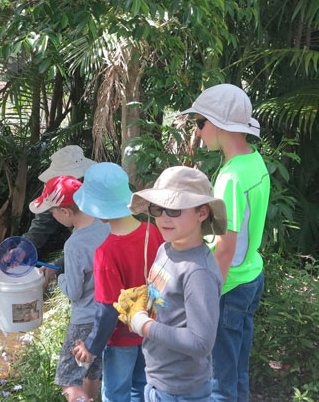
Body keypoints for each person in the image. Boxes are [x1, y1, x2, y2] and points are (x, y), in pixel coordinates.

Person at [180, 84, 270, 402]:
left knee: (219, 382)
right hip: (250, 277)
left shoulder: (231, 176)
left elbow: (225, 246)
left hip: (229, 287)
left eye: (200, 123)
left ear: (217, 124)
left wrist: (206, 296)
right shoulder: (255, 161)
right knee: (237, 371)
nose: (199, 131)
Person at [115, 166, 226, 402]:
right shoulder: (165, 248)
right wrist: (143, 301)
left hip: (182, 390)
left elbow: (201, 343)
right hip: (156, 378)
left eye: (175, 209)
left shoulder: (198, 272)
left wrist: (143, 325)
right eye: (158, 208)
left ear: (202, 213)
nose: (164, 216)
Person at [71, 162, 165, 402]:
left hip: (122, 338)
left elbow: (106, 311)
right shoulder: (151, 232)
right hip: (152, 330)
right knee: (142, 387)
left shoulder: (106, 253)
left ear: (97, 210)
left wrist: (91, 347)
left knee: (116, 394)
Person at [28, 175, 110, 402]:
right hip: (107, 315)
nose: (52, 216)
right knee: (92, 370)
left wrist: (57, 276)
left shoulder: (75, 243)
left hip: (84, 319)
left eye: (53, 212)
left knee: (68, 377)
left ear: (65, 212)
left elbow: (74, 291)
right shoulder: (106, 224)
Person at [23, 145, 96, 278]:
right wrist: (24, 247)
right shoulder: (54, 187)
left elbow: (92, 246)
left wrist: (60, 266)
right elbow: (42, 221)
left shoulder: (98, 193)